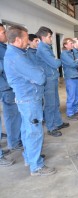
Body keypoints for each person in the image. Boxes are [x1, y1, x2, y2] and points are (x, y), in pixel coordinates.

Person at [4, 25, 56, 176]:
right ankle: (37, 166)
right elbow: (40, 76)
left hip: (26, 98)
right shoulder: (17, 57)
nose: (29, 41)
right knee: (34, 131)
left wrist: (36, 74)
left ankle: (30, 157)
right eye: (27, 38)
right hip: (29, 98)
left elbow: (36, 70)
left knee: (27, 129)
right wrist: (38, 75)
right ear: (18, 39)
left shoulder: (18, 53)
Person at [36, 26, 69, 137]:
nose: (51, 39)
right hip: (48, 80)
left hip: (53, 77)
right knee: (50, 105)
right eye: (50, 37)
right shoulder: (42, 49)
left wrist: (56, 61)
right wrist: (60, 60)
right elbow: (55, 64)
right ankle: (51, 127)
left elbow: (54, 62)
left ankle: (58, 122)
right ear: (43, 37)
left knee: (56, 103)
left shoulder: (47, 47)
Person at [0, 24, 22, 152]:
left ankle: (14, 140)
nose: (5, 34)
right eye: (3, 32)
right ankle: (14, 142)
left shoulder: (4, 47)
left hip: (7, 85)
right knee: (12, 115)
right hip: (6, 87)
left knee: (12, 115)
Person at [61, 38, 78, 121]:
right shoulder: (64, 54)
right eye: (70, 43)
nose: (72, 44)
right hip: (70, 77)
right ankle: (70, 113)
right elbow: (73, 64)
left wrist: (76, 61)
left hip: (76, 75)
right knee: (71, 96)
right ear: (65, 45)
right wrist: (76, 61)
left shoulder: (72, 52)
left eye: (72, 43)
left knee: (76, 94)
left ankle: (75, 110)